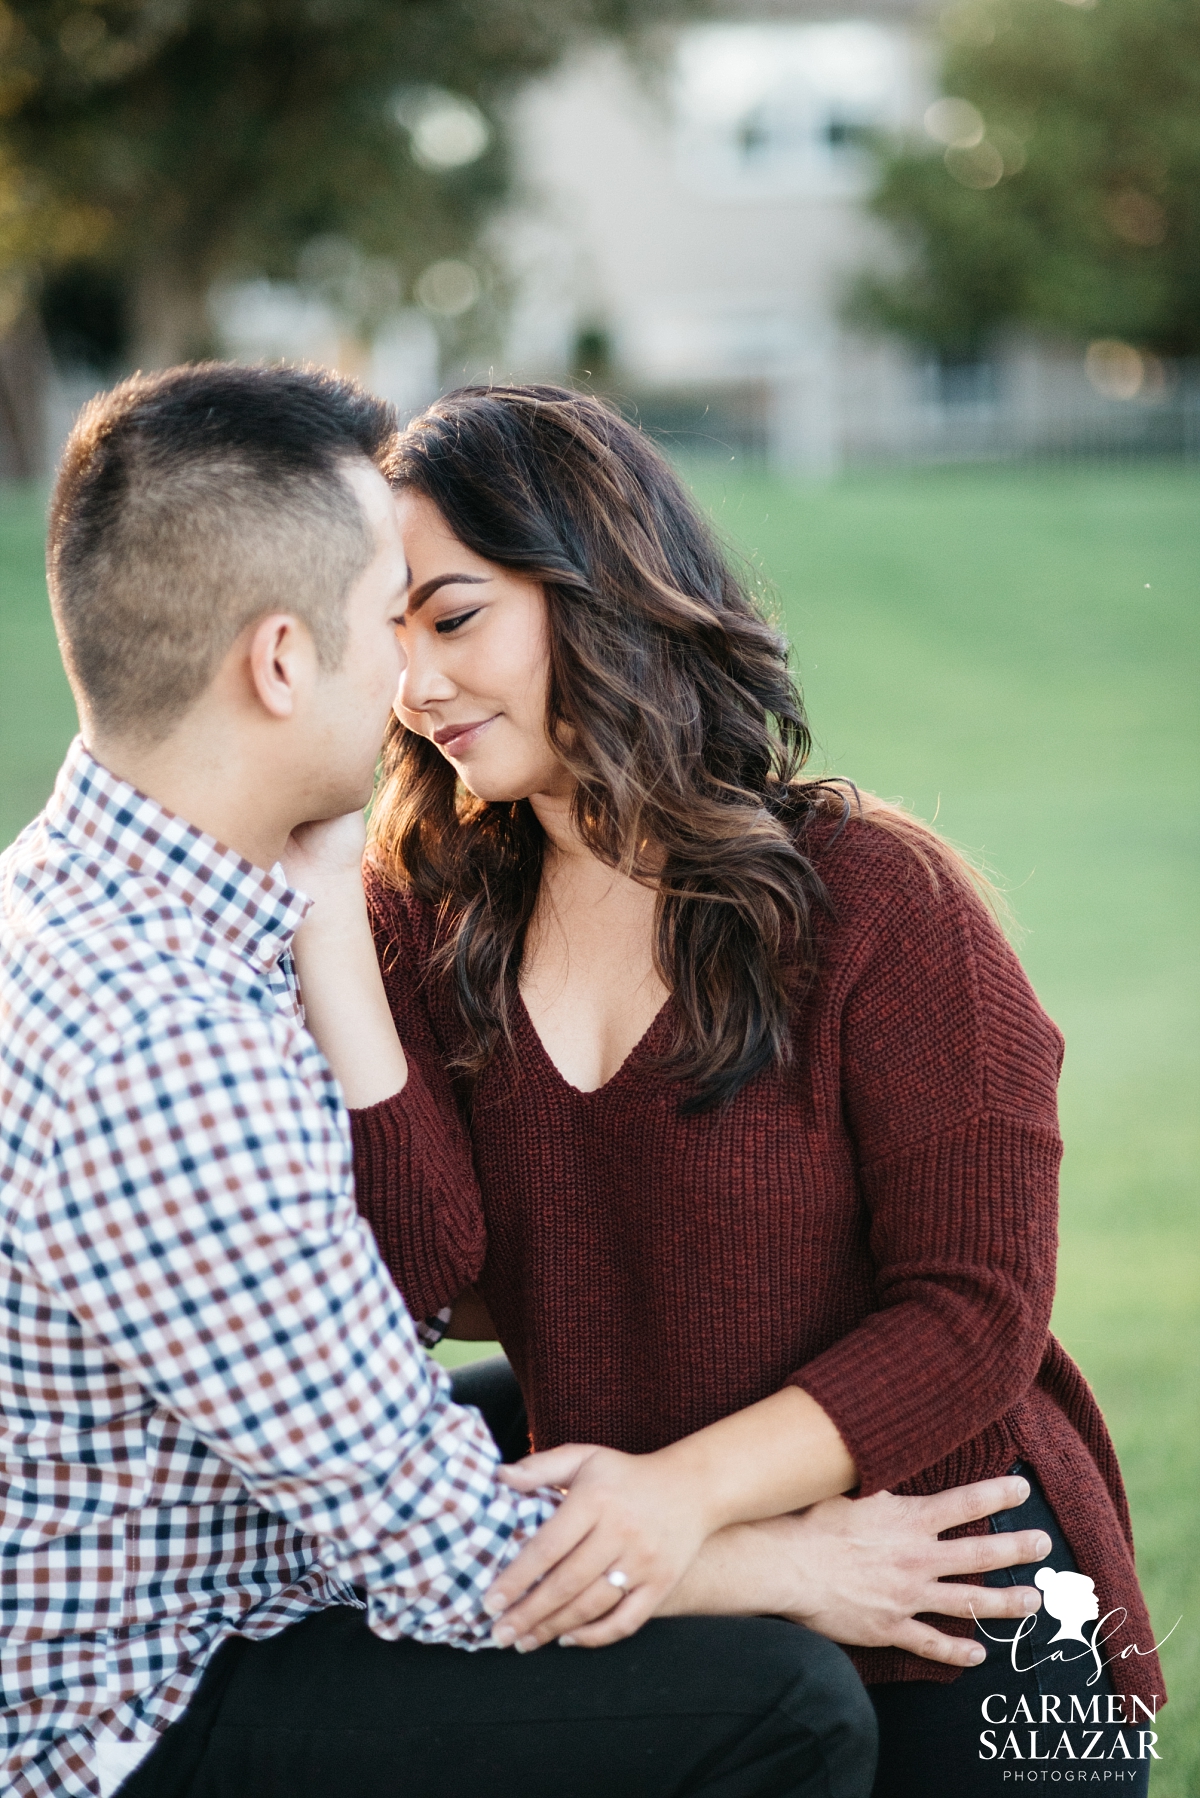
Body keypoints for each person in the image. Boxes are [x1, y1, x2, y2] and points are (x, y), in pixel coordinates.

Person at [1, 361, 905, 1798]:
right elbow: (426, 1548)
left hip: (203, 1549)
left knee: (591, 1409)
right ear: (283, 662)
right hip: (145, 1711)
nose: (413, 686)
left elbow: (385, 1313)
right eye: (388, 624)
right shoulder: (160, 1041)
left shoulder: (90, 900)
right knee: (780, 1699)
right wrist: (794, 1563)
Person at [286, 385, 1165, 1798]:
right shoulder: (419, 924)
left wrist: (677, 1493)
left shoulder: (878, 900)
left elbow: (975, 1307)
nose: (416, 684)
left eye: (450, 617)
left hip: (963, 1580)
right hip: (677, 1615)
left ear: (599, 585)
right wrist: (333, 933)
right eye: (386, 637)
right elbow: (417, 1280)